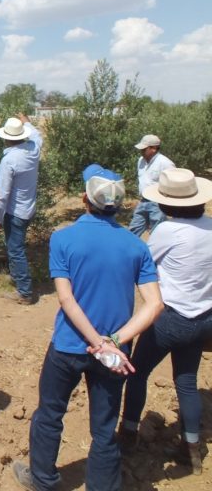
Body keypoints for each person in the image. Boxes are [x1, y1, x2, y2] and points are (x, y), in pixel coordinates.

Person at [12, 164, 164, 491]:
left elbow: (66, 300)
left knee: (49, 415)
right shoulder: (137, 246)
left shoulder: (63, 239)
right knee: (104, 430)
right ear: (121, 205)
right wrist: (113, 342)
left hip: (69, 345)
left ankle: (43, 480)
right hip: (114, 356)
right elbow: (155, 304)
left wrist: (96, 341)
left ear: (85, 199)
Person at [120, 168, 212, 474]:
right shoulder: (210, 228)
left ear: (168, 204)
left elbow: (144, 263)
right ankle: (192, 449)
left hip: (171, 317)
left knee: (137, 373)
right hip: (203, 318)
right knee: (186, 382)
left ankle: (128, 435)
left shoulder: (167, 232)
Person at [0, 113, 42, 305]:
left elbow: (2, 193)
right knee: (17, 247)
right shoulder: (33, 149)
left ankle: (25, 292)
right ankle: (20, 281)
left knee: (15, 250)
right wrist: (26, 121)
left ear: (6, 138)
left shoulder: (9, 161)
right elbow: (38, 136)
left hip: (15, 212)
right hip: (29, 208)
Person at [128, 134, 175, 237]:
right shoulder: (140, 161)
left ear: (153, 148)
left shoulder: (165, 163)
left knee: (157, 232)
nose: (141, 151)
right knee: (133, 229)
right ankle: (127, 251)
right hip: (143, 200)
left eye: (144, 149)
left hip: (158, 203)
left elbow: (173, 184)